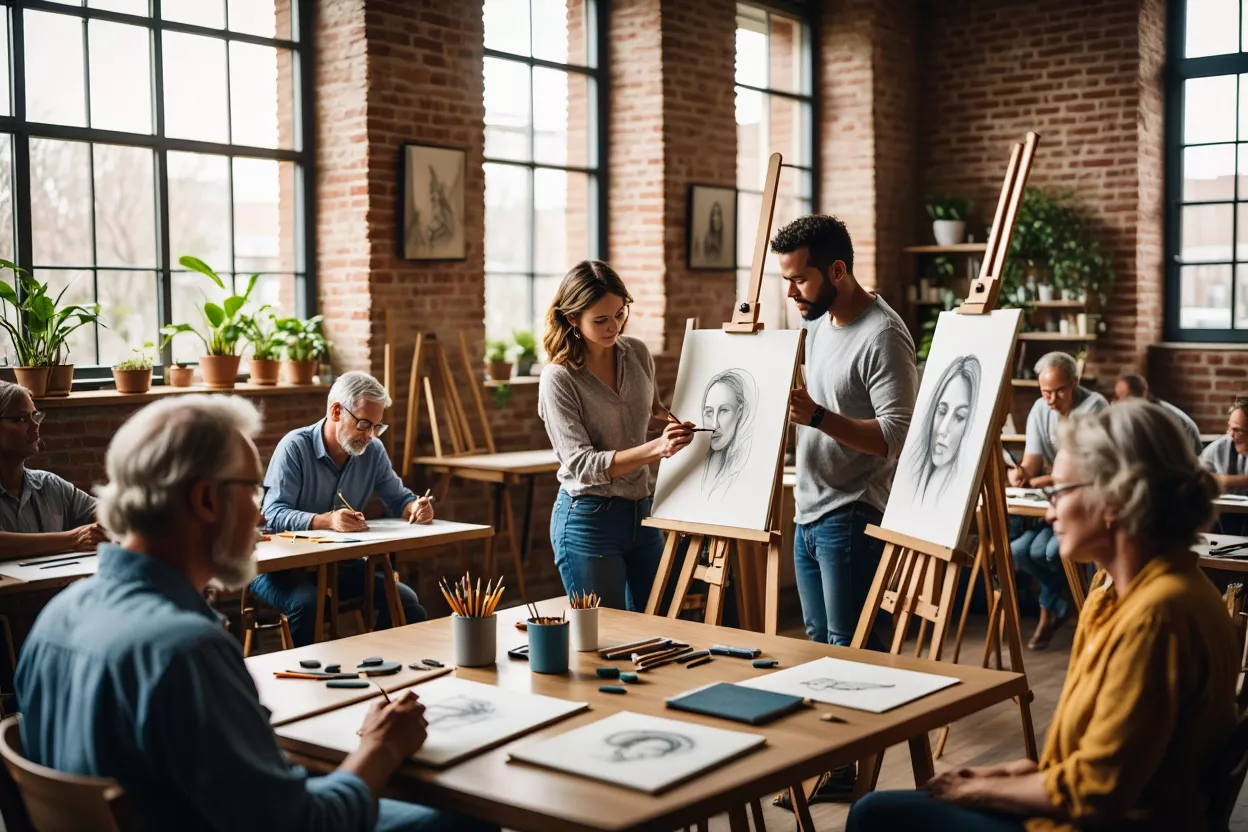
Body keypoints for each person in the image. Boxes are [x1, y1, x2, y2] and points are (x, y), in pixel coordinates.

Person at [14, 395, 495, 832]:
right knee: (465, 818)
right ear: (206, 499)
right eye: (250, 490)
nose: (261, 513)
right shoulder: (187, 651)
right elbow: (305, 825)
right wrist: (381, 748)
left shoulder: (55, 619)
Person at [847, 401, 1238, 832]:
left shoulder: (1158, 616)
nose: (1049, 511)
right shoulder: (1124, 593)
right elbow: (1097, 755)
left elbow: (1094, 792)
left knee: (873, 813)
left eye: (1059, 492)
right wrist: (1006, 774)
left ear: (1115, 498)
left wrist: (980, 790)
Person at [771, 215, 916, 808]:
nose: (791, 292)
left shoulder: (884, 335)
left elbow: (895, 436)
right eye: (786, 280)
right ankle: (833, 767)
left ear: (837, 270)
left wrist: (816, 417)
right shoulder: (818, 321)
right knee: (818, 647)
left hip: (853, 512)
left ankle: (857, 775)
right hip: (809, 507)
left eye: (799, 279)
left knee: (851, 650)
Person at [538, 260, 694, 611]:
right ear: (572, 318)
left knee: (656, 625)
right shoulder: (559, 378)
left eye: (620, 313)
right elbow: (582, 465)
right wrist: (657, 449)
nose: (615, 326)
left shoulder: (636, 352)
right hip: (589, 520)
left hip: (642, 512)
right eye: (601, 320)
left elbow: (649, 413)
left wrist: (678, 425)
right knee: (605, 633)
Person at [251, 372, 432, 646]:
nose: (370, 435)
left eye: (377, 427)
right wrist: (327, 521)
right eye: (364, 424)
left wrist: (416, 507)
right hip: (280, 567)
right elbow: (273, 515)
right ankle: (305, 672)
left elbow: (400, 500)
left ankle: (383, 666)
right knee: (307, 604)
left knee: (404, 601)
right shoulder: (294, 448)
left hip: (338, 564)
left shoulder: (373, 451)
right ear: (336, 411)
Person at [1009, 351, 1108, 649]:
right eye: (1045, 392)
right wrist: (1022, 473)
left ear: (1075, 382)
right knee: (1018, 551)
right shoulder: (1040, 409)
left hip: (1082, 504)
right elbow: (1032, 461)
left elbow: (1088, 469)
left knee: (1051, 552)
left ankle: (1054, 610)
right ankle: (1059, 606)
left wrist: (1048, 479)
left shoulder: (1095, 407)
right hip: (1052, 504)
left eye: (1059, 391)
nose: (1051, 400)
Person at [0, 379, 107, 559]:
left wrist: (104, 525)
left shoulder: (49, 485)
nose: (35, 425)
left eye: (35, 416)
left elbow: (104, 511)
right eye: (21, 419)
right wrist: (73, 539)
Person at [907, 355, 981, 507]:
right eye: (941, 411)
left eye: (960, 417)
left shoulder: (954, 494)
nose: (942, 429)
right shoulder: (913, 481)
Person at [1113, 371, 1201, 456]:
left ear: (1142, 395)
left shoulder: (1165, 418)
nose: (1119, 404)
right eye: (1118, 398)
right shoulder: (1143, 415)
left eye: (1125, 398)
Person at [700, 368, 756, 499]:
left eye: (723, 410)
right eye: (709, 412)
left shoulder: (745, 472)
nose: (714, 425)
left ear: (740, 412)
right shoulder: (703, 470)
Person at [1200, 395, 1248, 535]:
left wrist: (1223, 480)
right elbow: (1197, 478)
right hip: (1223, 522)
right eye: (1229, 427)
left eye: (1238, 430)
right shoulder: (1220, 447)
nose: (1230, 434)